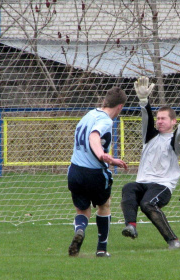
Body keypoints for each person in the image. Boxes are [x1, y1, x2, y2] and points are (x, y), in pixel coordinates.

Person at [120, 76, 180, 250]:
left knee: (147, 204)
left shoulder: (176, 140)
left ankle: (173, 241)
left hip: (162, 185)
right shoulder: (150, 136)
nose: (159, 121)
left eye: (164, 118)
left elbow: (178, 137)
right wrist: (143, 100)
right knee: (128, 188)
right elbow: (146, 117)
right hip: (144, 183)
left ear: (173, 121)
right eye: (158, 118)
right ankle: (131, 226)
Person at [68, 86, 128, 257]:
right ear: (120, 107)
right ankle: (102, 249)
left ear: (104, 101)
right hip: (94, 173)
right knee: (104, 205)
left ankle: (80, 230)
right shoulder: (106, 120)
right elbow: (94, 136)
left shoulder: (88, 115)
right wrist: (103, 155)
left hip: (75, 171)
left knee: (82, 210)